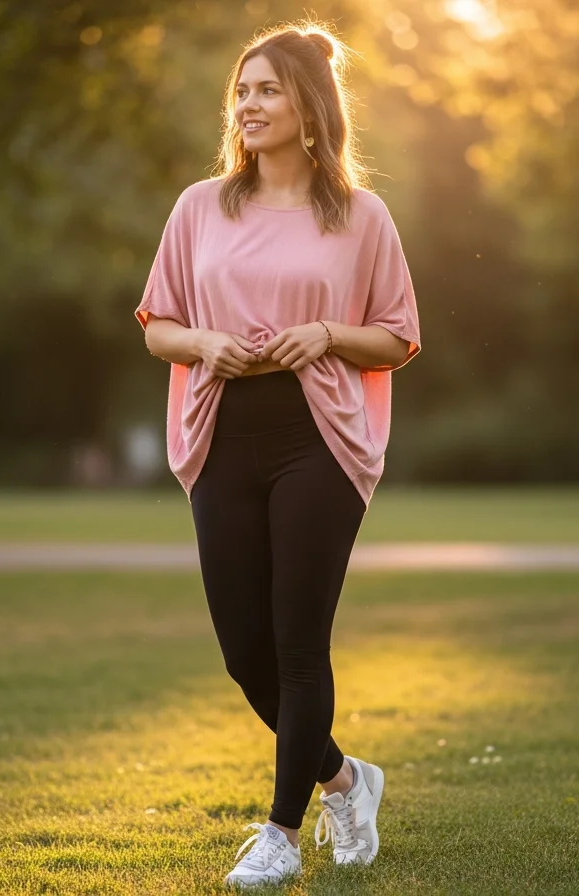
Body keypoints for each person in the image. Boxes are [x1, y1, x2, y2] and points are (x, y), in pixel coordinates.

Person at [134, 22, 421, 888]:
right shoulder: (199, 206)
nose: (248, 104)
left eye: (266, 89)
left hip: (320, 443)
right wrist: (204, 345)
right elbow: (157, 326)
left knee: (300, 645)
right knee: (242, 651)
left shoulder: (362, 217)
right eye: (243, 90)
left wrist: (326, 333)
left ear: (309, 108)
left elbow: (398, 338)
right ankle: (346, 778)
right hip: (221, 437)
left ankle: (282, 834)